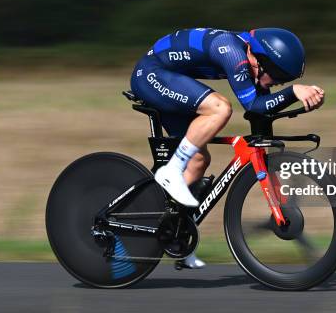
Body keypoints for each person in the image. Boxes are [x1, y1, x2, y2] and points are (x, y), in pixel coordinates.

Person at [130, 28, 324, 268]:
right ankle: (171, 171)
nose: (278, 83)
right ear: (259, 60)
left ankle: (176, 232)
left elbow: (260, 117)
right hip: (152, 74)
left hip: (170, 78)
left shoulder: (254, 63)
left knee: (198, 160)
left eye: (284, 81)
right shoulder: (231, 51)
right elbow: (253, 105)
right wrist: (294, 92)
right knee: (220, 108)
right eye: (277, 77)